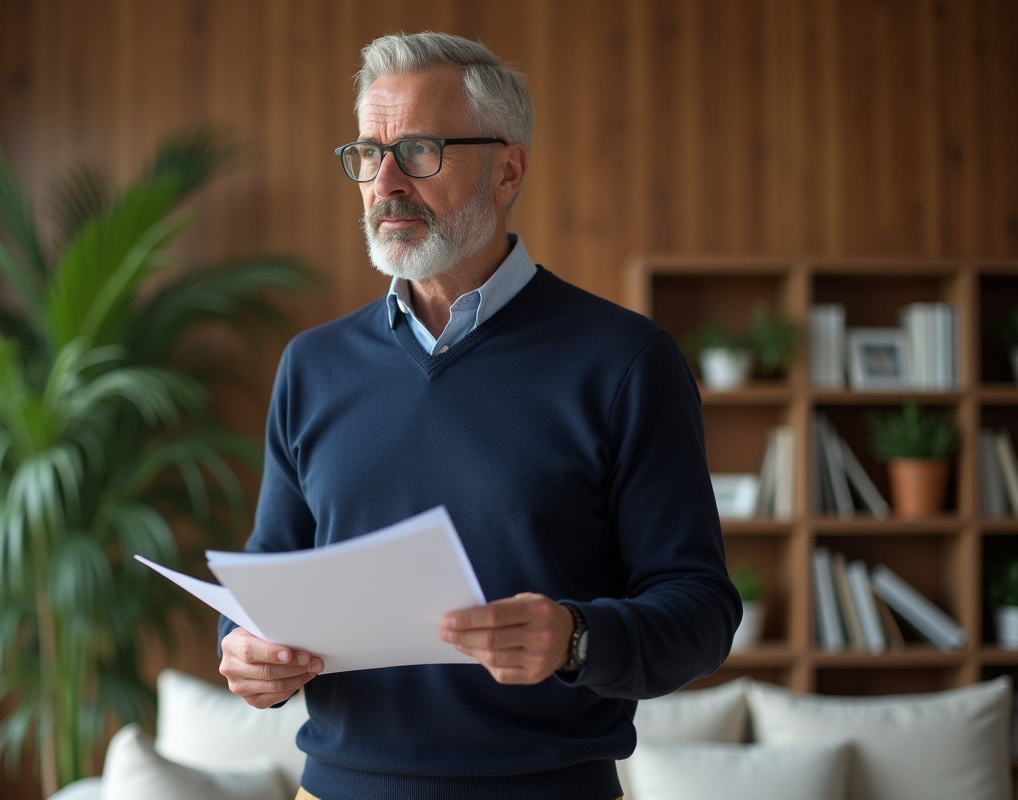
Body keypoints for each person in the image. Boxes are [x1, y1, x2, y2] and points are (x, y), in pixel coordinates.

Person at [219, 31, 740, 800]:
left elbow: (701, 611)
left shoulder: (626, 361)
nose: (385, 180)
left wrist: (575, 637)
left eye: (420, 150)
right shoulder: (312, 365)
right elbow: (268, 576)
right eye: (368, 152)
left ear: (508, 169)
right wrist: (246, 650)